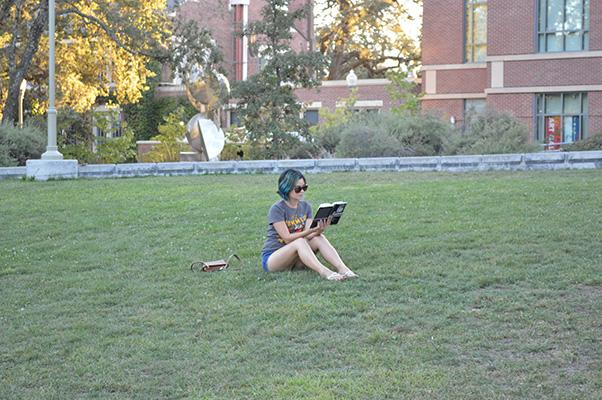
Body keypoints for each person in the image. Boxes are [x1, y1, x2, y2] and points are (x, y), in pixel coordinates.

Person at [260, 169, 358, 281]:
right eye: (298, 188)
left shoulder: (306, 207)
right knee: (300, 241)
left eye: (304, 187)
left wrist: (319, 230)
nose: (302, 191)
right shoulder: (277, 209)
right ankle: (325, 272)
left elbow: (309, 235)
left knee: (318, 237)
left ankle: (342, 268)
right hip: (273, 259)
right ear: (286, 188)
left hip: (295, 258)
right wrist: (311, 231)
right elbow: (287, 239)